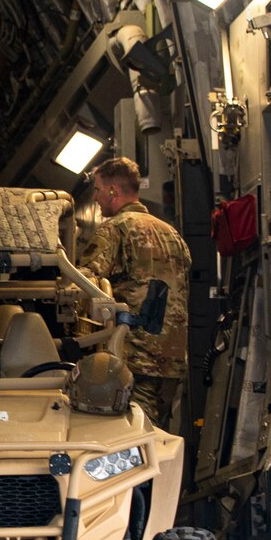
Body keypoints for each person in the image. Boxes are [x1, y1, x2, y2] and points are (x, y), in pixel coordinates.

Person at [79, 157, 190, 427]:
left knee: (134, 435)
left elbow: (83, 282)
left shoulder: (116, 229)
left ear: (113, 191)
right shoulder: (172, 234)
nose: (95, 197)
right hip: (172, 360)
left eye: (97, 189)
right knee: (158, 432)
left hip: (134, 358)